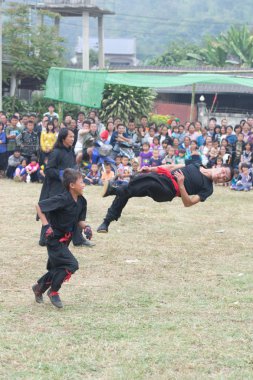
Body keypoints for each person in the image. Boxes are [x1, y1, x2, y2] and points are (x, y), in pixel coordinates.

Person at [96, 163, 233, 233]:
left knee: (146, 183)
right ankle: (106, 223)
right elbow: (172, 166)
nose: (222, 176)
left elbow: (188, 203)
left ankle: (113, 190)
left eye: (225, 178)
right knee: (129, 189)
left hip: (169, 190)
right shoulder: (197, 164)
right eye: (223, 172)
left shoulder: (208, 189)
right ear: (219, 166)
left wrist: (181, 185)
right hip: (162, 176)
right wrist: (151, 169)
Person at [32, 169, 93, 308]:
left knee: (58, 268)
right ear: (72, 185)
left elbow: (79, 220)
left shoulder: (82, 201)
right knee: (72, 265)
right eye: (81, 182)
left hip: (66, 240)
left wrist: (86, 227)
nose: (84, 184)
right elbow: (39, 206)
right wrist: (46, 225)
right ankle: (53, 291)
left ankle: (38, 288)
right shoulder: (62, 199)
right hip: (53, 239)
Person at [38, 128, 94, 248]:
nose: (72, 139)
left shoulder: (70, 151)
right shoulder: (56, 152)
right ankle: (44, 238)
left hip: (69, 187)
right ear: (63, 138)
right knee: (53, 213)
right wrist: (61, 174)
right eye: (70, 137)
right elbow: (48, 170)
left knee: (74, 211)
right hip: (56, 188)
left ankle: (78, 239)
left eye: (74, 137)